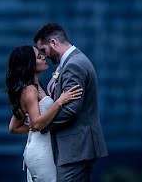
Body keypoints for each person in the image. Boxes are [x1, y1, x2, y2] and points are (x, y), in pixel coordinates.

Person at [33, 23, 108, 182]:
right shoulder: (69, 63)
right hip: (73, 148)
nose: (44, 56)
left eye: (43, 50)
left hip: (76, 148)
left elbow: (71, 109)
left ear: (53, 43)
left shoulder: (74, 64)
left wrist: (43, 125)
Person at [6, 45, 83, 182]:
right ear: (29, 63)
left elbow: (14, 126)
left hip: (41, 147)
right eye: (38, 56)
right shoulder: (30, 89)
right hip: (41, 152)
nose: (44, 57)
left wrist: (42, 127)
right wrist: (59, 102)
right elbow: (36, 124)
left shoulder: (34, 85)